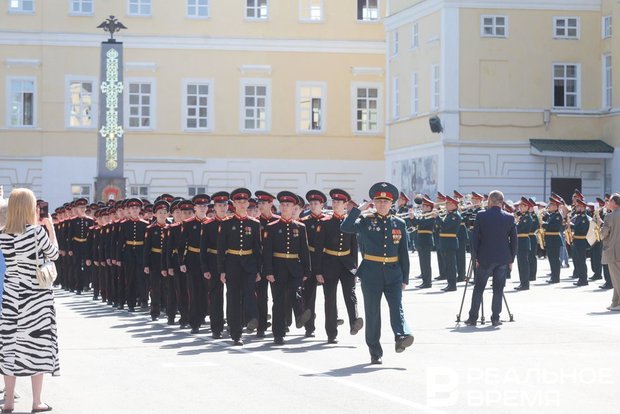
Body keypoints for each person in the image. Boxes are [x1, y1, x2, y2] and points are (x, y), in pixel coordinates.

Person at [0, 188, 59, 413]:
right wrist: (51, 229)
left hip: (12, 294)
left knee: (10, 345)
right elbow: (53, 255)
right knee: (38, 345)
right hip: (36, 295)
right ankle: (36, 401)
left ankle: (7, 402)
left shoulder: (3, 234)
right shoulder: (36, 232)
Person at [341, 182, 414, 365]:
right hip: (371, 273)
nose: (382, 204)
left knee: (397, 308)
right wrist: (359, 209)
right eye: (378, 201)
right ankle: (375, 351)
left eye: (385, 201)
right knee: (373, 313)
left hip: (393, 273)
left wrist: (405, 277)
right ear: (373, 202)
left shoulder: (400, 223)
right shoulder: (366, 221)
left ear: (391, 204)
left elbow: (403, 253)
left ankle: (401, 336)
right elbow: (345, 227)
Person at [262, 191, 312, 345]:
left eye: (288, 205)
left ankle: (299, 315)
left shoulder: (300, 227)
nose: (285, 207)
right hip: (277, 268)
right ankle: (278, 333)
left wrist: (306, 270)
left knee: (296, 293)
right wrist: (268, 271)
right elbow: (267, 252)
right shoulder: (271, 227)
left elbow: (304, 251)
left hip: (295, 268)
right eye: (282, 205)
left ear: (294, 208)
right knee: (278, 302)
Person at [465, 190, 517, 327]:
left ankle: (473, 318)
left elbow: (474, 238)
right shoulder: (509, 217)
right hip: (502, 259)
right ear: (502, 202)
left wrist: (475, 256)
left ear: (490, 201)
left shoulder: (481, 216)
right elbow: (514, 241)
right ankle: (495, 318)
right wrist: (511, 259)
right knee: (498, 290)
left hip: (485, 258)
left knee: (479, 288)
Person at [217, 188, 261, 346]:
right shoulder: (227, 223)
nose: (242, 205)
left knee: (249, 293)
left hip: (249, 264)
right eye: (238, 202)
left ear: (248, 203)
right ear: (233, 204)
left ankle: (252, 318)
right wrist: (221, 270)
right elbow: (221, 249)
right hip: (232, 264)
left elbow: (258, 249)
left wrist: (258, 269)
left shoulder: (254, 224)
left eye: (244, 202)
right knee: (233, 298)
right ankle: (236, 334)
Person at [600, 193, 620, 311]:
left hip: (614, 251)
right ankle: (615, 302)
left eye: (610, 201)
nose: (608, 203)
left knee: (616, 279)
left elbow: (603, 234)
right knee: (617, 278)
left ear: (614, 202)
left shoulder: (610, 216)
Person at [515, 197, 533, 291]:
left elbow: (518, 228)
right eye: (520, 205)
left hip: (523, 241)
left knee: (524, 264)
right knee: (520, 264)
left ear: (527, 207)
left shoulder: (527, 218)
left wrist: (515, 223)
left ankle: (525, 284)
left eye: (523, 205)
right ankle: (522, 282)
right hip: (520, 241)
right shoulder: (522, 217)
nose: (520, 207)